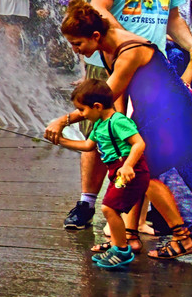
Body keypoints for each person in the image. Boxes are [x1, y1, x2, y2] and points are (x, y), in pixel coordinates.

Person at [58, 2, 192, 258]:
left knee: (146, 174)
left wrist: (62, 121)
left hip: (170, 114)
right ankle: (127, 238)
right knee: (136, 169)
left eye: (77, 43)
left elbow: (104, 97)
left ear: (95, 35)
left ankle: (183, 237)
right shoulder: (108, 47)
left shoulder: (130, 50)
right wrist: (118, 131)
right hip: (149, 114)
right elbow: (116, 102)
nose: (75, 50)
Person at [77, 0, 192, 229]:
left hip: (151, 70)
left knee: (143, 141)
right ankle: (87, 202)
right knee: (100, 137)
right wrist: (130, 45)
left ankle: (130, 216)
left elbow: (174, 19)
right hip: (109, 64)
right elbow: (99, 9)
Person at [43, 79, 152, 270]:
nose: (81, 115)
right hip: (116, 171)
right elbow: (87, 146)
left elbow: (139, 143)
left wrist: (127, 166)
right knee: (111, 208)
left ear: (97, 106)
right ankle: (118, 247)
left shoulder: (118, 121)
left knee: (109, 208)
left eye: (82, 110)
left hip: (130, 171)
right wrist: (60, 140)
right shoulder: (100, 125)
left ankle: (121, 250)